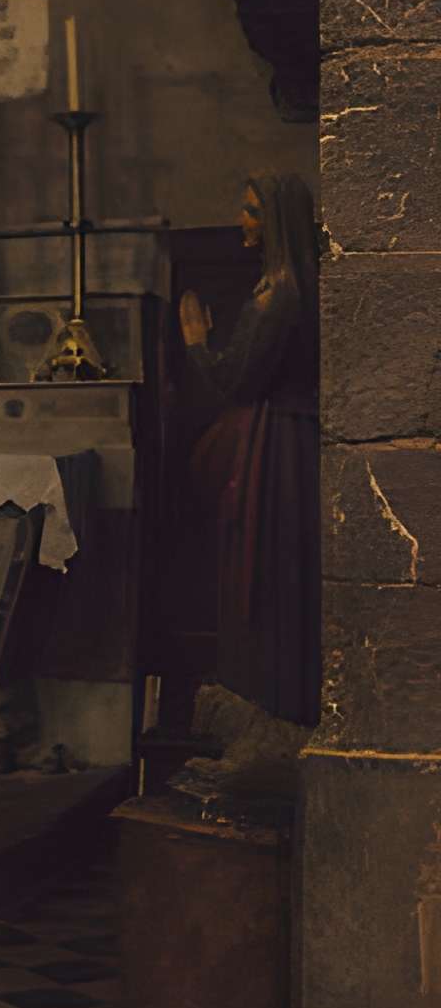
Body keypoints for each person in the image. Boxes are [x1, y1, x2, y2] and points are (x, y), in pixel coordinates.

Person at [179, 173, 320, 745]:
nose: (243, 220)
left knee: (264, 571)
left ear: (277, 222)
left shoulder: (276, 293)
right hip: (295, 437)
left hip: (276, 445)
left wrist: (194, 343)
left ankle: (270, 717)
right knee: (286, 573)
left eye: (252, 211)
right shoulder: (303, 286)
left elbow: (237, 379)